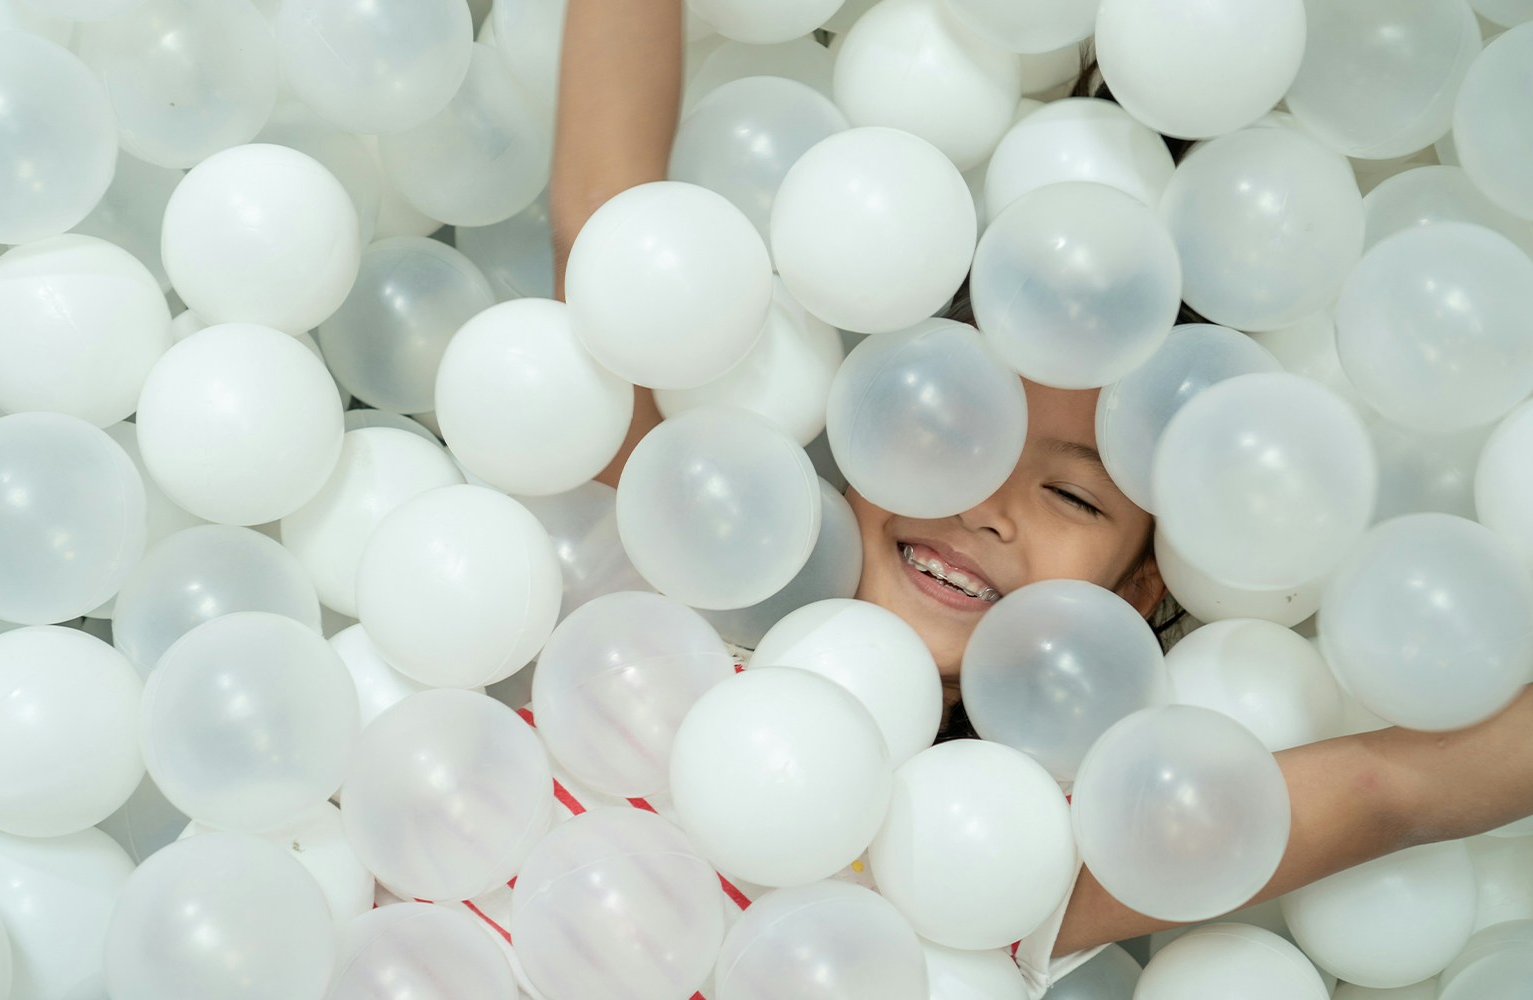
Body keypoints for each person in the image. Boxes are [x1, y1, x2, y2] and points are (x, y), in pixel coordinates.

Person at [550, 0, 1533, 992]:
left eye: (1072, 494)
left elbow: (1393, 787)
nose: (984, 501)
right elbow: (606, 240)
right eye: (945, 429)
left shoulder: (1014, 844)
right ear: (855, 433)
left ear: (1138, 590)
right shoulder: (686, 568)